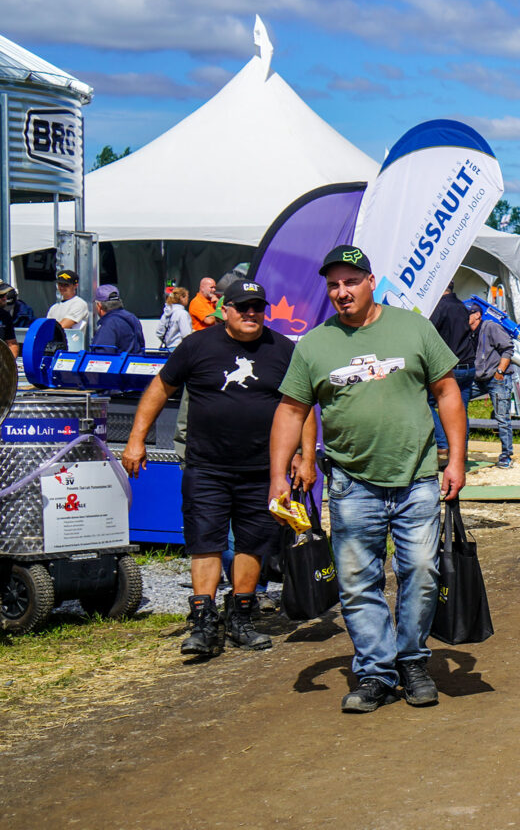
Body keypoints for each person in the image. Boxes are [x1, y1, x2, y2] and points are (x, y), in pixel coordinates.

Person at [268, 245, 467, 714]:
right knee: (358, 583)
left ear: (370, 281)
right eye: (334, 284)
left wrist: (456, 460)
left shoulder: (413, 327)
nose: (342, 292)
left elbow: (447, 392)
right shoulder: (316, 344)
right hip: (351, 484)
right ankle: (377, 673)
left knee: (420, 571)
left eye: (351, 282)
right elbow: (291, 410)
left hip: (417, 477)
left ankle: (413, 661)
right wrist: (279, 474)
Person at [122, 280, 309, 657]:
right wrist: (136, 439)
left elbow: (300, 404)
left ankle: (241, 618)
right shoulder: (197, 345)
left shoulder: (283, 350)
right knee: (205, 541)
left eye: (257, 307)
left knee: (253, 544)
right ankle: (204, 622)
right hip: (206, 466)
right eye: (242, 307)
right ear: (226, 310)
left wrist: (305, 455)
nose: (250, 313)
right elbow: (160, 388)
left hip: (262, 469)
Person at [429, 284, 477, 465]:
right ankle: (461, 452)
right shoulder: (461, 306)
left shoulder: (441, 307)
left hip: (450, 366)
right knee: (460, 411)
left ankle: (443, 445)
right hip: (468, 365)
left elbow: (429, 332)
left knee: (427, 402)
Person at [467, 300, 515, 470]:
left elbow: (508, 349)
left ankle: (506, 455)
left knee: (502, 418)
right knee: (457, 403)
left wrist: (500, 372)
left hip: (497, 379)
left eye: (468, 314)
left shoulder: (491, 327)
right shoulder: (468, 332)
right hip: (478, 379)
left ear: (477, 315)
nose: (465, 317)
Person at [90, 285, 145, 354]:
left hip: (118, 364)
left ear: (99, 306)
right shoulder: (132, 317)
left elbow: (102, 356)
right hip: (134, 363)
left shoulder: (109, 324)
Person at [47, 270, 91, 350]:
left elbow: (61, 327)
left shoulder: (79, 303)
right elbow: (48, 328)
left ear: (75, 285)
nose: (62, 288)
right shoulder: (54, 307)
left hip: (72, 350)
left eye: (66, 285)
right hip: (54, 349)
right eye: (60, 284)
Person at [0, 281, 34, 354]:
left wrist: (10, 363)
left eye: (5, 295)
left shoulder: (5, 316)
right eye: (1, 296)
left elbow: (12, 344)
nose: (5, 299)